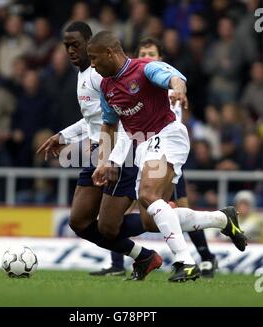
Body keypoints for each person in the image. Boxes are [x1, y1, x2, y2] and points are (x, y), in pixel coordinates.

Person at [88, 31, 247, 282]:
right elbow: (108, 125)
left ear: (109, 53)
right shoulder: (106, 87)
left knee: (149, 196)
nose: (92, 65)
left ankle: (186, 263)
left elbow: (175, 78)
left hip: (167, 134)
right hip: (144, 148)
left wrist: (178, 91)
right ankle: (222, 219)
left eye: (94, 58)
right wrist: (106, 162)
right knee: (151, 221)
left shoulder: (144, 68)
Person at [37, 22, 162, 281]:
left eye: (76, 45)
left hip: (117, 152)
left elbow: (118, 120)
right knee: (79, 222)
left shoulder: (99, 75)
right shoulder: (84, 75)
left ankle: (165, 216)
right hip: (96, 152)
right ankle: (144, 255)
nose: (71, 50)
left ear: (90, 44)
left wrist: (112, 159)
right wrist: (63, 135)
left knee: (107, 227)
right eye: (66, 46)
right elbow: (96, 119)